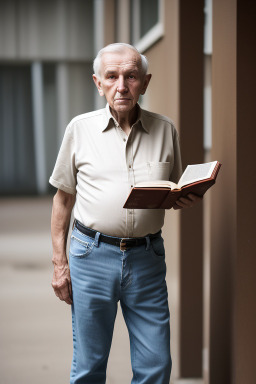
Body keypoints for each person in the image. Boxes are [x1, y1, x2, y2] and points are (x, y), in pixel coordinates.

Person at [50, 43, 201, 384]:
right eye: (112, 76)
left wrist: (184, 197)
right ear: (97, 83)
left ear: (144, 83)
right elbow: (62, 200)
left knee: (156, 364)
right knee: (89, 365)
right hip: (91, 256)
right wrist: (60, 264)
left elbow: (172, 189)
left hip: (147, 258)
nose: (122, 86)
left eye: (131, 76)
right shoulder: (80, 129)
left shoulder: (166, 129)